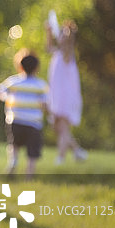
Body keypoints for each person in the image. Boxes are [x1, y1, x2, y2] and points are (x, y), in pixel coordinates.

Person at [0, 49, 49, 178]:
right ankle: (29, 176)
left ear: (20, 66)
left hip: (15, 121)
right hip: (34, 124)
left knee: (14, 145)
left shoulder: (14, 81)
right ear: (37, 68)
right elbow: (45, 105)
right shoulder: (41, 85)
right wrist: (51, 116)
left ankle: (13, 163)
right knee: (32, 153)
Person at [46, 19, 87, 164]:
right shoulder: (58, 53)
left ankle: (61, 158)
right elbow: (48, 47)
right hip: (56, 95)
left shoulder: (67, 53)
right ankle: (77, 151)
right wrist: (49, 32)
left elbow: (67, 43)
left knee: (63, 128)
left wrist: (66, 33)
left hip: (66, 97)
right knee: (57, 127)